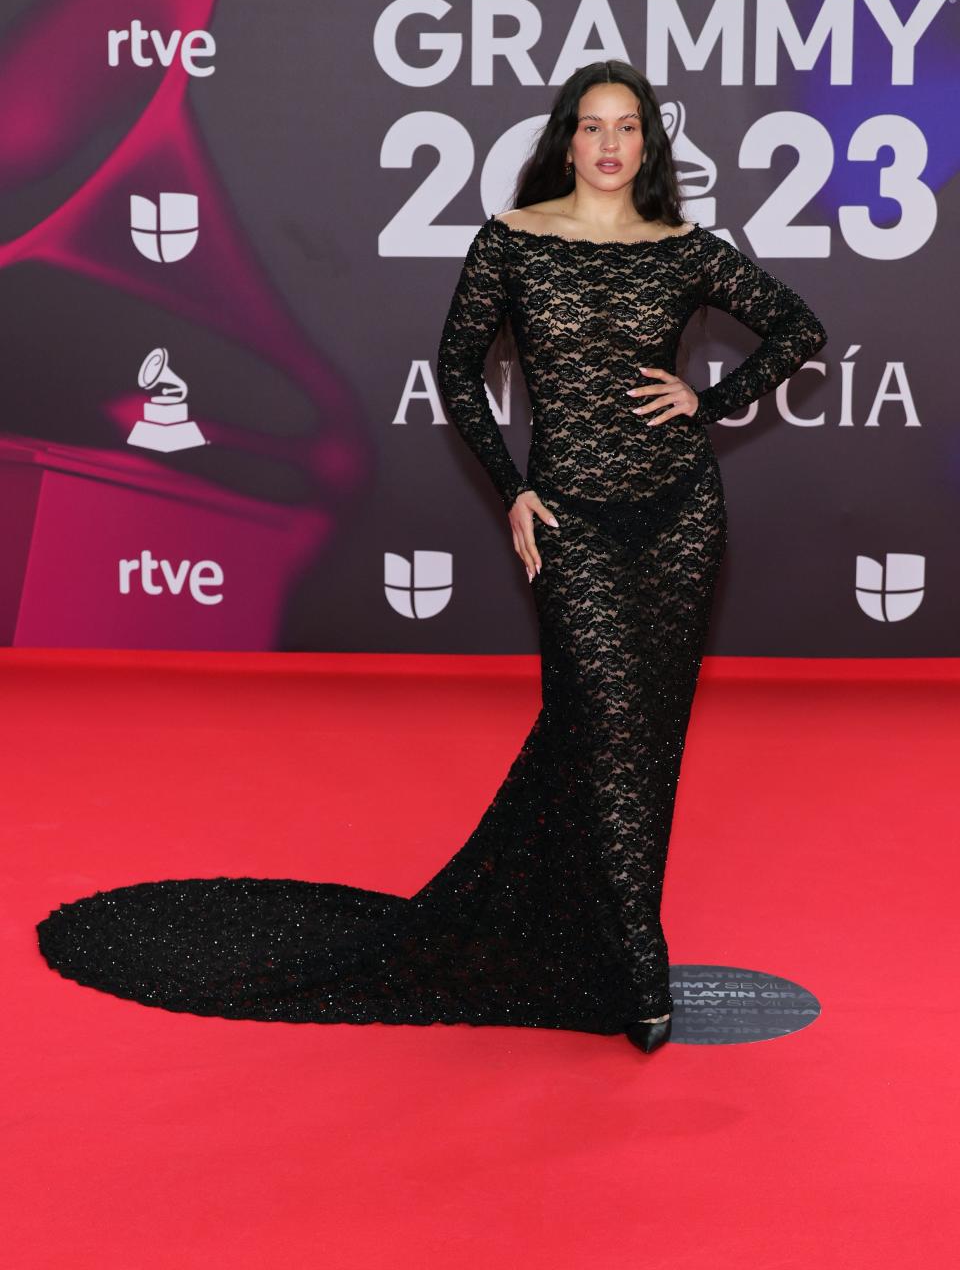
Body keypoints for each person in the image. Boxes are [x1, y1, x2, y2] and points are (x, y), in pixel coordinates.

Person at [36, 59, 827, 1057]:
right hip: (568, 517)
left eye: (630, 128)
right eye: (594, 127)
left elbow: (800, 326)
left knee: (646, 743)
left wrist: (707, 401)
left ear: (649, 145)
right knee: (601, 727)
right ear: (566, 139)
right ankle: (633, 952)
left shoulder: (684, 251)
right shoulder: (514, 242)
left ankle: (617, 936)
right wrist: (514, 490)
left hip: (679, 517)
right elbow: (456, 368)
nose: (613, 146)